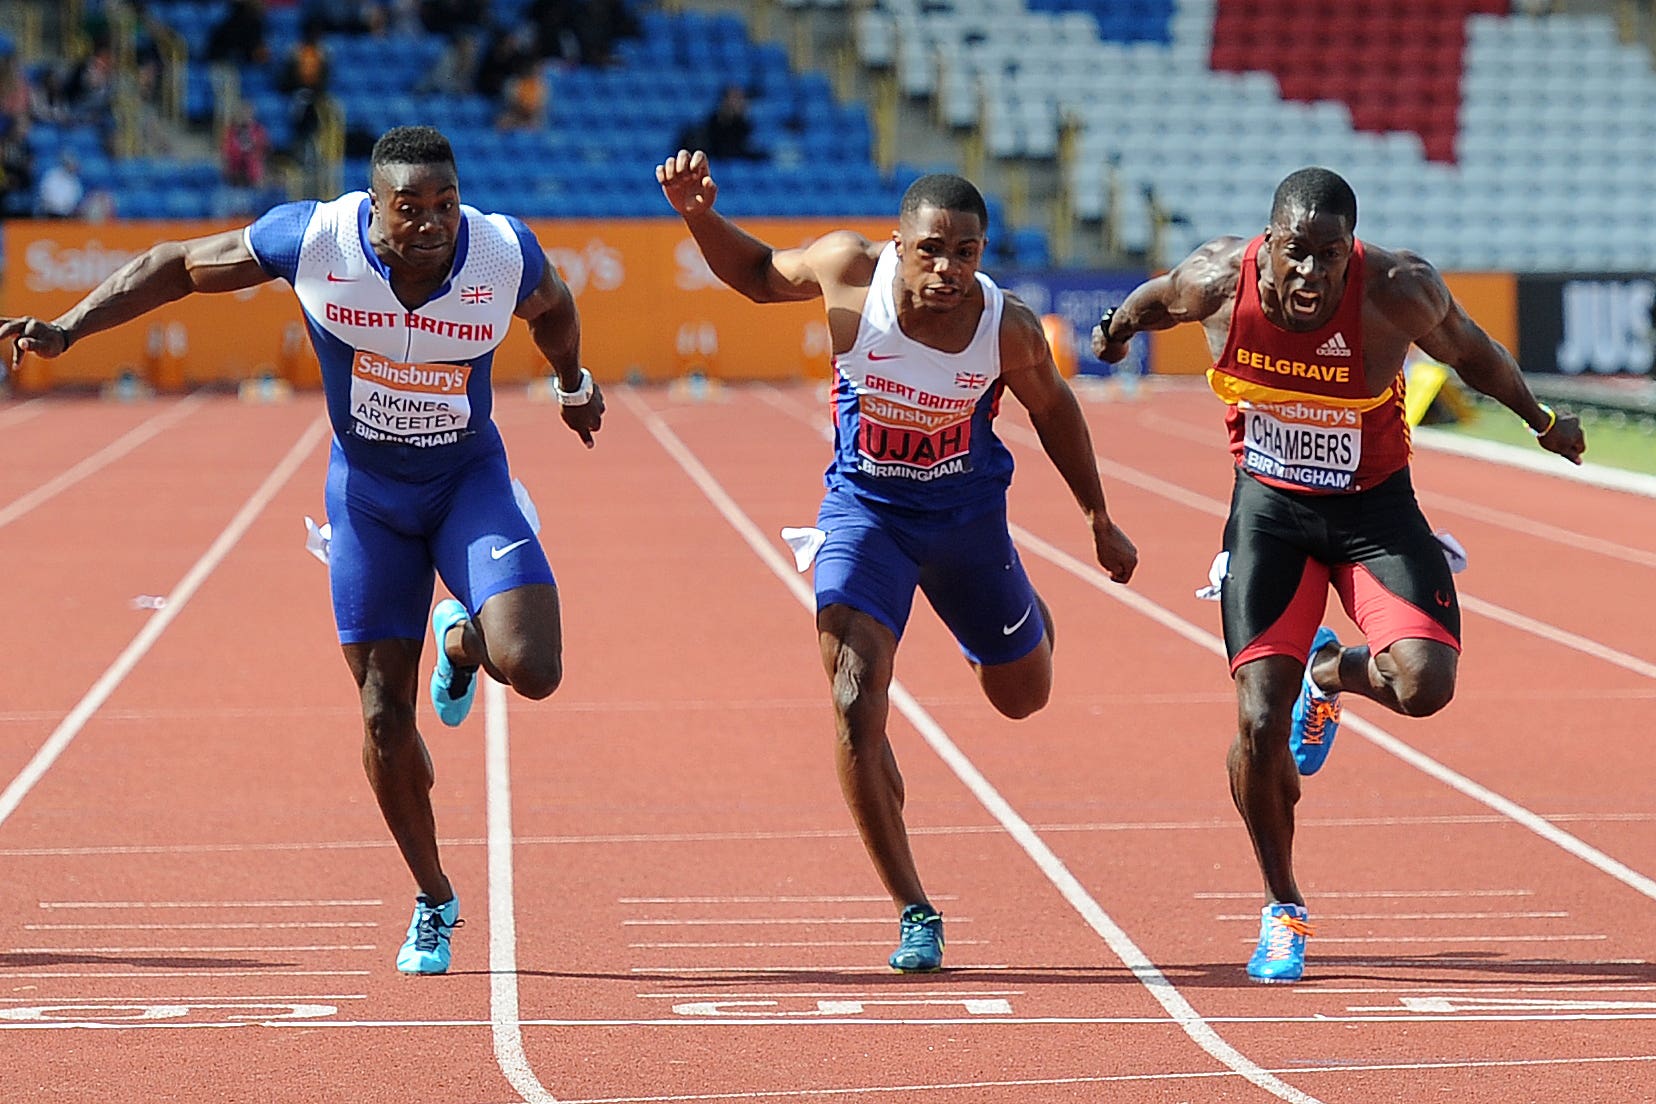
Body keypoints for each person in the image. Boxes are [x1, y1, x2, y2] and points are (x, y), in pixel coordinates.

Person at [0, 125, 605, 975]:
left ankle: (461, 639)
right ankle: (434, 898)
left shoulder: (500, 252)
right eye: (410, 209)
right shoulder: (315, 240)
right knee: (383, 717)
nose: (432, 224)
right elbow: (177, 264)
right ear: (374, 208)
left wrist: (571, 382)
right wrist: (68, 329)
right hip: (367, 501)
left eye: (445, 203)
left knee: (534, 668)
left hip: (467, 481)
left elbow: (557, 308)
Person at [1091, 166, 1586, 984]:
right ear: (1269, 244)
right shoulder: (1218, 281)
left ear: (1352, 251)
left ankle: (1331, 672)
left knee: (1427, 684)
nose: (1312, 274)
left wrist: (1541, 422)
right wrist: (1111, 329)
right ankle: (1282, 906)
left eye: (1330, 255)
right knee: (1256, 722)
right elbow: (1151, 302)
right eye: (1296, 253)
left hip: (1374, 513)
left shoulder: (1399, 289)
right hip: (1270, 514)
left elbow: (1474, 352)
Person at [658, 149, 1138, 972]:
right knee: (854, 696)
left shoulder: (1008, 328)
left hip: (966, 522)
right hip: (865, 514)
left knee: (1022, 696)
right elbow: (759, 276)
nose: (948, 270)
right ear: (898, 243)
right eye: (931, 251)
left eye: (965, 253)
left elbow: (1056, 412)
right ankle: (915, 907)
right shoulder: (849, 272)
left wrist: (1098, 517)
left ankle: (1016, 613)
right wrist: (700, 216)